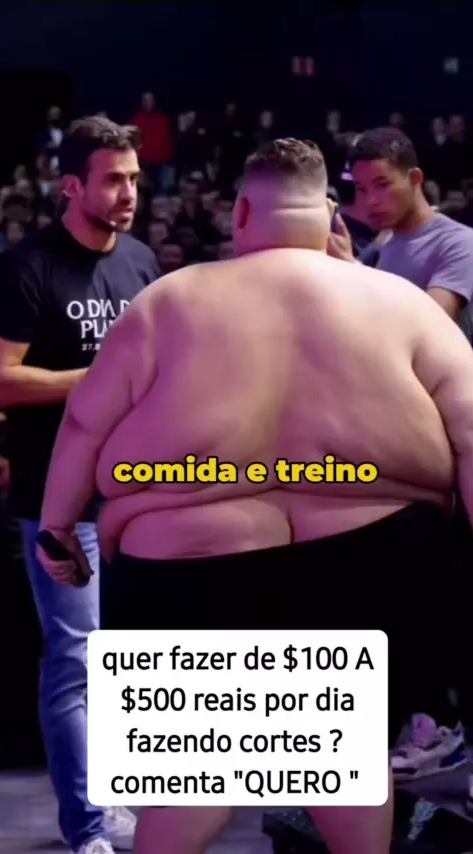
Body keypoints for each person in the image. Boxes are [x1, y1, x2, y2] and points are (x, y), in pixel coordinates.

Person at [36, 138, 473, 854]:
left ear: (240, 212)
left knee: (190, 778)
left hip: (189, 549)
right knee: (344, 755)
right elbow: (470, 432)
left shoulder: (167, 301)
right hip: (370, 547)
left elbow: (85, 422)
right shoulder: (403, 305)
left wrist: (57, 528)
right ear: (329, 213)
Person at [0, 116, 160, 854]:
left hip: (138, 495)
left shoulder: (143, 262)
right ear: (71, 186)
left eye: (134, 178)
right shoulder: (27, 267)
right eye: (113, 180)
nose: (129, 192)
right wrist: (96, 380)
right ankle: (87, 828)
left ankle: (115, 799)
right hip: (58, 499)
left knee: (124, 660)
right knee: (74, 660)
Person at [328, 126, 473, 782]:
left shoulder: (455, 243)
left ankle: (444, 728)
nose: (370, 201)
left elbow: (428, 325)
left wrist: (351, 276)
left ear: (416, 179)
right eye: (360, 189)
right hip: (398, 457)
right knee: (409, 598)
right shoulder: (381, 250)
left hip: (454, 447)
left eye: (382, 185)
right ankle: (426, 724)